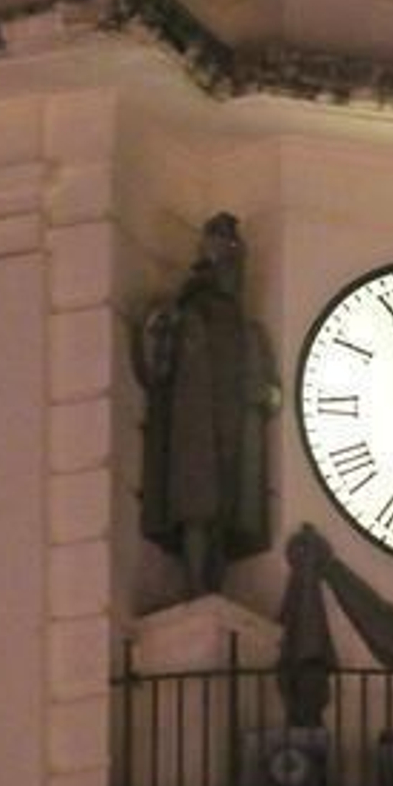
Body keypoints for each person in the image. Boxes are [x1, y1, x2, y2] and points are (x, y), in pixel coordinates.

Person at [133, 212, 278, 596]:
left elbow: (267, 386)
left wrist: (265, 394)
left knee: (224, 507)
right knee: (198, 504)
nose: (235, 271)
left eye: (237, 263)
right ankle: (198, 587)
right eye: (228, 261)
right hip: (195, 421)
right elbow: (157, 365)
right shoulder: (187, 313)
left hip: (230, 421)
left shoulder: (244, 327)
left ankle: (211, 584)